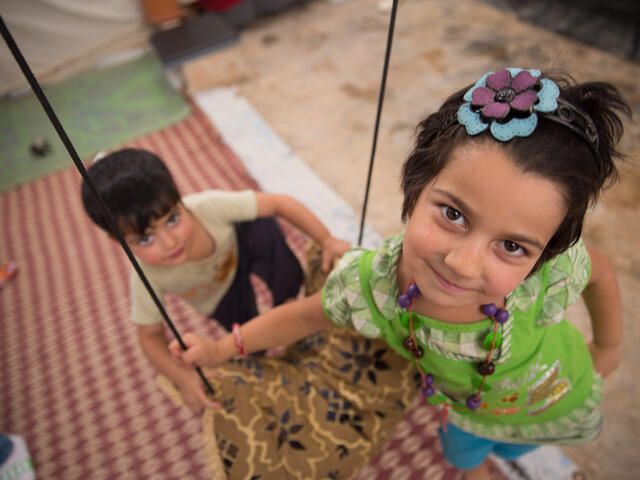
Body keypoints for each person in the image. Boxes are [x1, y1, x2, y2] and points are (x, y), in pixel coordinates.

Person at [169, 68, 628, 480]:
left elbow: (600, 274)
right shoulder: (372, 285)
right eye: (453, 214)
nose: (463, 264)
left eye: (511, 246)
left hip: (558, 396)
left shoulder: (548, 271)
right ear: (415, 184)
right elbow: (305, 316)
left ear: (545, 252)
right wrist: (219, 347)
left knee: (519, 443)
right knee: (466, 457)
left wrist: (607, 346)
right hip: (463, 417)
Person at [81, 148, 351, 415]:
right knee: (251, 340)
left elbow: (279, 203)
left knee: (261, 224)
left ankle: (289, 300)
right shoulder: (145, 275)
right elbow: (149, 337)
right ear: (118, 242)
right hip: (220, 297)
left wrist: (326, 239)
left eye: (173, 219)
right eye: (145, 239)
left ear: (181, 200)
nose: (170, 242)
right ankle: (268, 347)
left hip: (240, 246)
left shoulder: (208, 207)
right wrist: (183, 378)